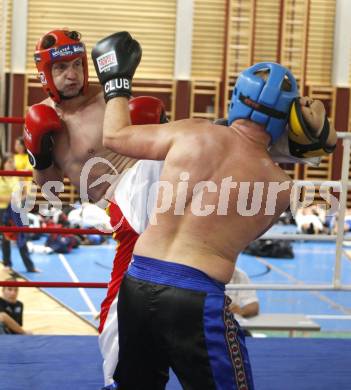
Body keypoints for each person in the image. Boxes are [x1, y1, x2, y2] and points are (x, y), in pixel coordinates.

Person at [25, 29, 336, 389]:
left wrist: (116, 85)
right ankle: (308, 142)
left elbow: (119, 138)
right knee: (212, 140)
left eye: (78, 64)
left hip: (149, 190)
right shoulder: (45, 119)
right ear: (44, 74)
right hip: (124, 208)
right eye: (61, 67)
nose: (72, 74)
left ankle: (118, 379)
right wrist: (39, 152)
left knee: (203, 141)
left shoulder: (109, 104)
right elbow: (45, 188)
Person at [0, 154, 39, 273]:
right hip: (2, 211)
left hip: (17, 210)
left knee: (22, 237)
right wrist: (11, 199)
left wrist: (19, 199)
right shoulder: (0, 177)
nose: (11, 164)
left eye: (13, 162)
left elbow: (24, 194)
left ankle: (30, 267)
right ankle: (7, 264)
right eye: (9, 162)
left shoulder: (18, 176)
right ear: (4, 164)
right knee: (6, 238)